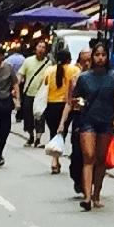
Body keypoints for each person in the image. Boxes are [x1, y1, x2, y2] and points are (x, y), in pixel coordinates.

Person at [69, 38, 114, 212]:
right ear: (92, 57)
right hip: (87, 121)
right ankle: (86, 196)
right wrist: (77, 102)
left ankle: (96, 193)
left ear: (107, 57)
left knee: (100, 159)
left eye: (103, 55)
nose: (100, 58)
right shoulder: (84, 78)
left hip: (106, 122)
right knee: (88, 156)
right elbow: (74, 99)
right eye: (97, 55)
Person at [41, 42, 74, 173]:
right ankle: (55, 160)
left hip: (50, 105)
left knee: (53, 132)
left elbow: (44, 86)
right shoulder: (73, 70)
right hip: (66, 106)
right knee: (62, 132)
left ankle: (55, 160)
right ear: (69, 59)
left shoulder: (49, 70)